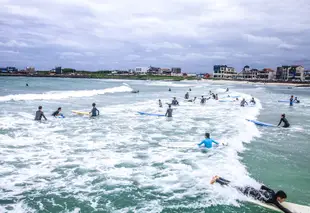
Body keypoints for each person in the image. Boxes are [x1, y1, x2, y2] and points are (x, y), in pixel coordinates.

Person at [210, 176, 292, 213]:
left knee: (233, 185)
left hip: (250, 189)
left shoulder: (272, 192)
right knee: (232, 186)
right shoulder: (273, 200)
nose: (283, 201)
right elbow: (283, 209)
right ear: (279, 198)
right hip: (247, 192)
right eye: (283, 199)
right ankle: (216, 180)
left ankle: (219, 178)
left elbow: (263, 187)